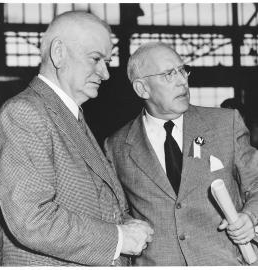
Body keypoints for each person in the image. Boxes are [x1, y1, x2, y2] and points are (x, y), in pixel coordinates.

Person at [0, 11, 153, 266]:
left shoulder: (69, 117)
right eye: (96, 59)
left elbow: (89, 203)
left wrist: (122, 222)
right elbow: (31, 219)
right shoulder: (25, 113)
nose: (106, 73)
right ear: (58, 53)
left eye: (106, 61)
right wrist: (118, 237)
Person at [104, 42, 258, 266]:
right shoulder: (115, 146)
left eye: (182, 70)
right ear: (142, 89)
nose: (182, 80)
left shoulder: (225, 123)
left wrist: (250, 216)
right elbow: (116, 211)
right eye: (168, 74)